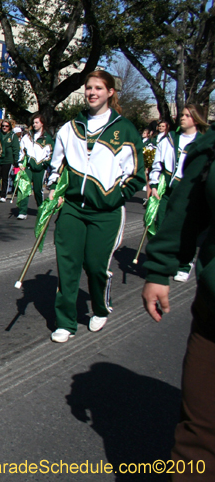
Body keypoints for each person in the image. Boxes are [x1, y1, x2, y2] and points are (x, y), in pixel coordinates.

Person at [46, 70, 144, 343]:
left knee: (95, 266)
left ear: (110, 92)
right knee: (68, 265)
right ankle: (65, 321)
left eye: (98, 88)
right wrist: (55, 188)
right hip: (73, 209)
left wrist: (114, 196)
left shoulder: (125, 129)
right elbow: (55, 167)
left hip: (106, 212)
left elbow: (136, 176)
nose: (92, 92)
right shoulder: (70, 128)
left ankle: (100, 307)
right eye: (89, 88)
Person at [142, 127, 215, 478]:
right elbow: (188, 207)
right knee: (199, 435)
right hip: (214, 316)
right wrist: (159, 269)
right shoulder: (211, 146)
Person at [147, 103, 209, 282]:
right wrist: (153, 184)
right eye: (181, 115)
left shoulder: (203, 141)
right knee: (160, 224)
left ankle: (184, 263)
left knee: (186, 229)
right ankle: (164, 260)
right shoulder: (168, 139)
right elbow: (157, 163)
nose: (183, 118)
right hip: (167, 189)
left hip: (190, 192)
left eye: (188, 115)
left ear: (196, 119)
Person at [16, 112, 54, 220]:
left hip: (40, 168)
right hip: (28, 167)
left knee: (38, 190)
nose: (35, 124)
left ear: (42, 123)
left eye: (37, 122)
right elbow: (22, 151)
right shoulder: (27, 137)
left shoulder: (47, 138)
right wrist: (21, 163)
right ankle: (23, 211)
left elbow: (51, 153)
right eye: (33, 122)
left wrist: (44, 164)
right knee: (24, 188)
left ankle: (42, 209)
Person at [0, 119, 19, 202]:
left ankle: (3, 195)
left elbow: (16, 148)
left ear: (10, 127)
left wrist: (16, 160)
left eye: (6, 126)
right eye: (3, 126)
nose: (4, 127)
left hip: (8, 160)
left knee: (5, 177)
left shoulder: (12, 136)